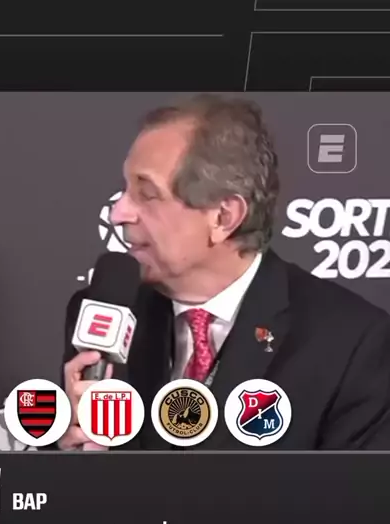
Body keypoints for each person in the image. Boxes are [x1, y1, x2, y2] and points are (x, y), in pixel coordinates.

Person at [59, 93, 390, 450]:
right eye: (125, 190)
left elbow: (355, 487)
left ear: (223, 217)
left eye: (147, 194)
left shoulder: (351, 342)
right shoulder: (102, 314)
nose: (118, 213)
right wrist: (69, 449)